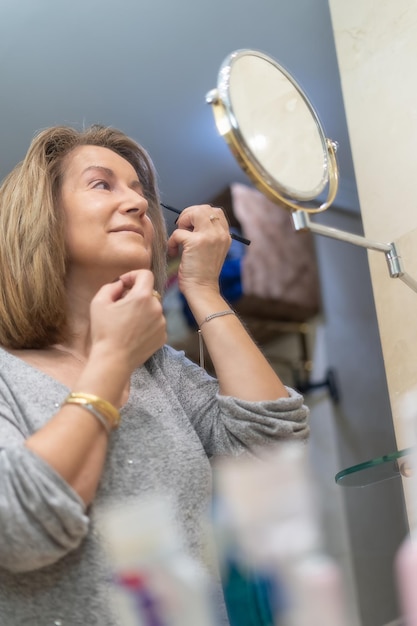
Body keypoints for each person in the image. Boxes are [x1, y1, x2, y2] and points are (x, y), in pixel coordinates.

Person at [0, 124, 309, 625]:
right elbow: (21, 528)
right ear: (41, 215)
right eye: (103, 184)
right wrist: (112, 360)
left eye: (140, 192)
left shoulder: (159, 370)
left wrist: (202, 286)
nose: (139, 205)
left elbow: (270, 450)